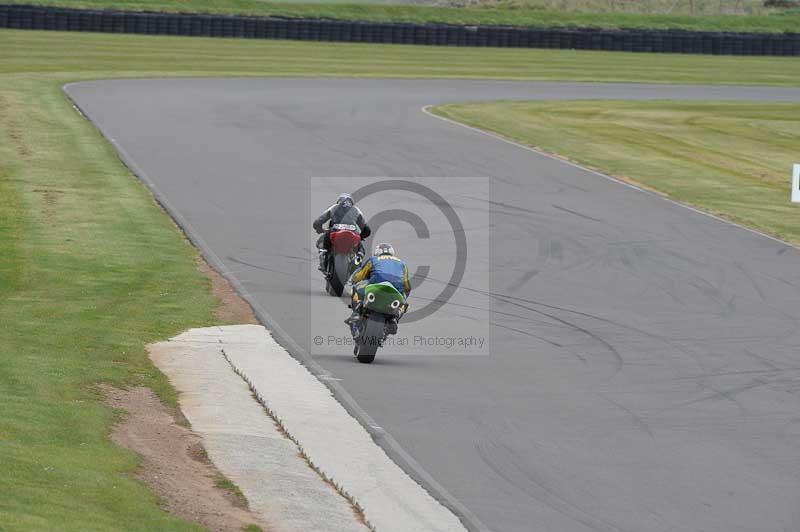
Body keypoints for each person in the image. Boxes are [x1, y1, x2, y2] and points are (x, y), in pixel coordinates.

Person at [345, 242, 411, 335]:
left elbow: (359, 275)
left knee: (356, 290)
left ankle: (356, 313)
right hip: (395, 290)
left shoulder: (373, 259)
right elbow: (407, 286)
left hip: (375, 286)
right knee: (404, 304)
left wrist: (353, 281)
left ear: (377, 252)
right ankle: (394, 318)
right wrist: (404, 296)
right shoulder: (402, 263)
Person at [313, 193, 371, 272]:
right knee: (361, 250)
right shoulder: (356, 210)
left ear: (339, 201)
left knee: (321, 243)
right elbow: (366, 229)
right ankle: (358, 262)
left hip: (335, 232)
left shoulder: (334, 207)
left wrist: (319, 229)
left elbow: (319, 221)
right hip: (352, 234)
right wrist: (361, 236)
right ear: (351, 203)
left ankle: (323, 260)